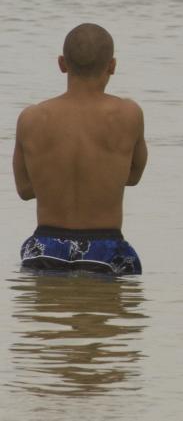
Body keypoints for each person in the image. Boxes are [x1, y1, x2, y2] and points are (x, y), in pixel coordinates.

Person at [13, 23, 147, 275]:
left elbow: (25, 190)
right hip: (104, 246)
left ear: (62, 63)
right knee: (102, 312)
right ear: (112, 66)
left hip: (46, 245)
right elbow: (133, 176)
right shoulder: (128, 114)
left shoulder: (31, 118)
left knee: (48, 315)